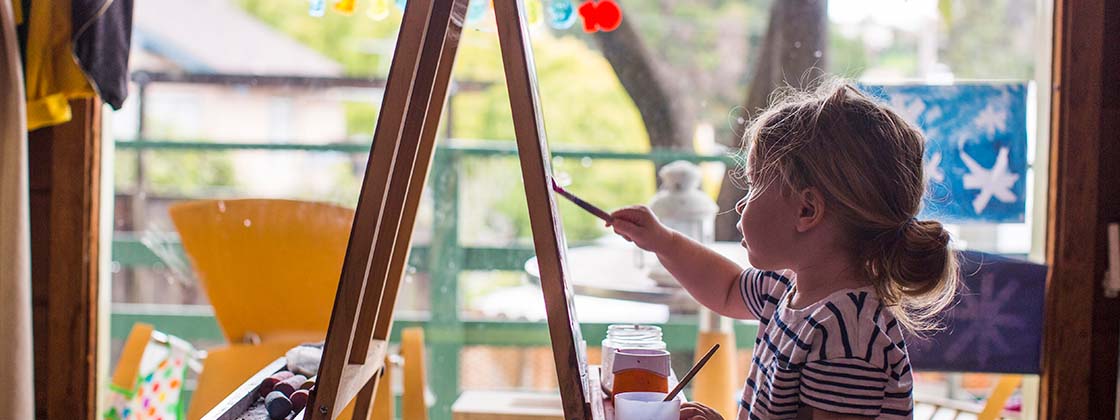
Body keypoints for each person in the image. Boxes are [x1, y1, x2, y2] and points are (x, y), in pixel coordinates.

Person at [608, 79, 958, 420]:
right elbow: (727, 288)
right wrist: (662, 241)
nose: (742, 205)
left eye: (755, 184)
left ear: (807, 211)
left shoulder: (847, 334)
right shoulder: (788, 286)